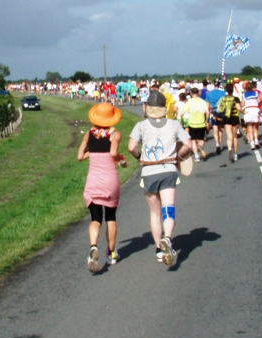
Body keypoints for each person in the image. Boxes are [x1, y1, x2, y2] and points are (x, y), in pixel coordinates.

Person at [128, 91, 192, 268]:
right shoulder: (174, 125)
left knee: (154, 212)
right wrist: (178, 156)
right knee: (168, 209)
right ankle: (167, 238)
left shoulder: (141, 126)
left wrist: (140, 156)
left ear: (147, 107)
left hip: (149, 170)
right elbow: (188, 144)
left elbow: (131, 146)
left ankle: (158, 248)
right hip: (169, 169)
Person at [77, 102, 126, 273]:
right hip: (109, 181)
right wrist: (121, 160)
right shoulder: (115, 134)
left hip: (93, 182)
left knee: (95, 219)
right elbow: (113, 153)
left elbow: (79, 156)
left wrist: (93, 152)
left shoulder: (88, 135)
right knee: (110, 217)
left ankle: (93, 246)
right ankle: (111, 253)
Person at [215, 84, 242, 162]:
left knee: (229, 136)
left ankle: (229, 148)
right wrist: (243, 112)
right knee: (234, 136)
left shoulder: (223, 99)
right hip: (234, 118)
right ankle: (235, 154)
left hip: (226, 119)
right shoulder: (235, 99)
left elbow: (219, 109)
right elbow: (239, 108)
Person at [185, 86, 211, 162]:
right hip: (201, 123)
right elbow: (208, 112)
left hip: (192, 123)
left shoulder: (189, 102)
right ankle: (200, 146)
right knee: (201, 139)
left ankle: (196, 156)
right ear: (198, 93)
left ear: (191, 93)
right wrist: (207, 120)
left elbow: (183, 112)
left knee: (193, 140)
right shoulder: (202, 102)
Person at [207, 80, 227, 154]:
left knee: (215, 128)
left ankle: (217, 143)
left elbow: (208, 105)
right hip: (221, 111)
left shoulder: (209, 93)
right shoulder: (222, 93)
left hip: (213, 111)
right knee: (220, 128)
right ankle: (220, 143)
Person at [242, 81, 262, 149]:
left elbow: (242, 104)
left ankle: (252, 142)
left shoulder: (244, 94)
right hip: (255, 109)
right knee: (255, 127)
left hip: (248, 110)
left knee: (249, 127)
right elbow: (259, 100)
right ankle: (256, 141)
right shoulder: (256, 93)